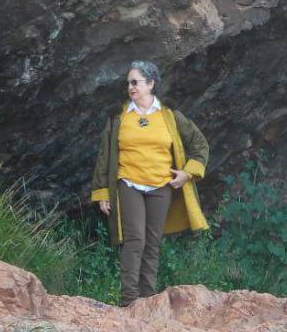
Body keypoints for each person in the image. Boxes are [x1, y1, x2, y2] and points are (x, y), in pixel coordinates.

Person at [89, 60, 210, 307]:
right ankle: (129, 301)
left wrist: (188, 173)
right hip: (128, 183)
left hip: (161, 185)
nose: (131, 87)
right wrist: (102, 192)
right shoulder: (118, 116)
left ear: (151, 84)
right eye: (128, 83)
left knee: (153, 242)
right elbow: (104, 156)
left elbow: (199, 144)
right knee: (135, 240)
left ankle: (148, 300)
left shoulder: (169, 115)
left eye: (135, 82)